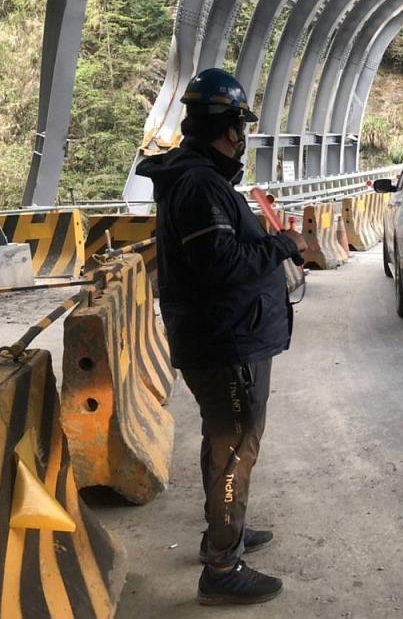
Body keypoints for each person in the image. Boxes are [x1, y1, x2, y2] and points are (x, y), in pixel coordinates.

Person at [136, 68, 307, 606]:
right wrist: (280, 245)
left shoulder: (197, 179)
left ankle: (224, 529)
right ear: (231, 129)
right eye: (241, 125)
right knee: (234, 448)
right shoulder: (201, 185)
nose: (242, 137)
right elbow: (220, 266)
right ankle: (222, 567)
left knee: (225, 441)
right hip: (224, 342)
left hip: (228, 336)